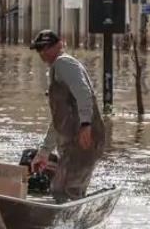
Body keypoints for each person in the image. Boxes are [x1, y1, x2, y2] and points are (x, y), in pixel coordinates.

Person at [30, 30, 107, 202]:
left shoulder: (64, 63)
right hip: (71, 145)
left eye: (46, 48)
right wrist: (44, 152)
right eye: (39, 49)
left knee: (67, 190)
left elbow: (84, 93)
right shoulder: (56, 69)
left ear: (59, 45)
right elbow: (58, 121)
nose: (43, 53)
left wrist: (86, 125)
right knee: (60, 189)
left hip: (84, 140)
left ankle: (70, 223)